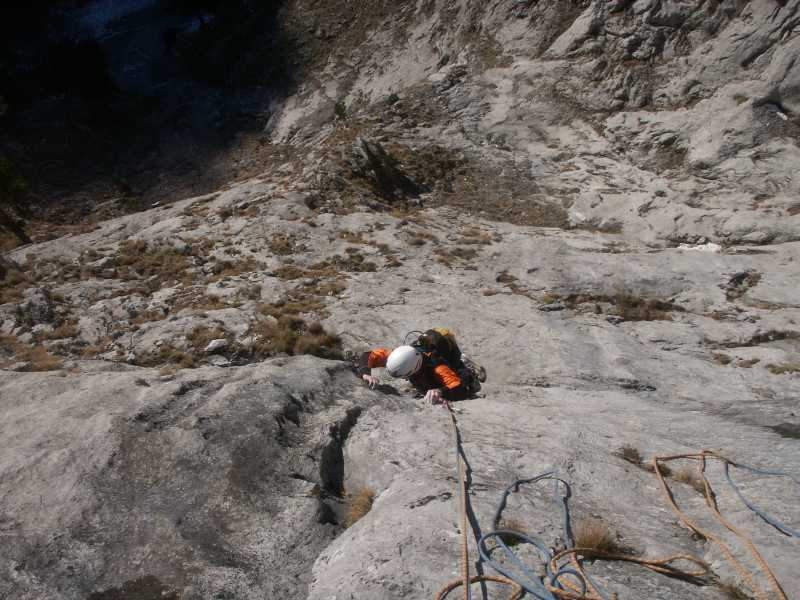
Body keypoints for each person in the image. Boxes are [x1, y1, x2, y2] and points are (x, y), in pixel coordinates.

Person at [355, 328, 486, 404]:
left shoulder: (437, 367)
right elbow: (369, 355)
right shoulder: (399, 354)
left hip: (447, 354)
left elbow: (459, 388)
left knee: (469, 385)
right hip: (426, 353)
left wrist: (440, 391)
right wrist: (365, 373)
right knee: (426, 387)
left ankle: (465, 364)